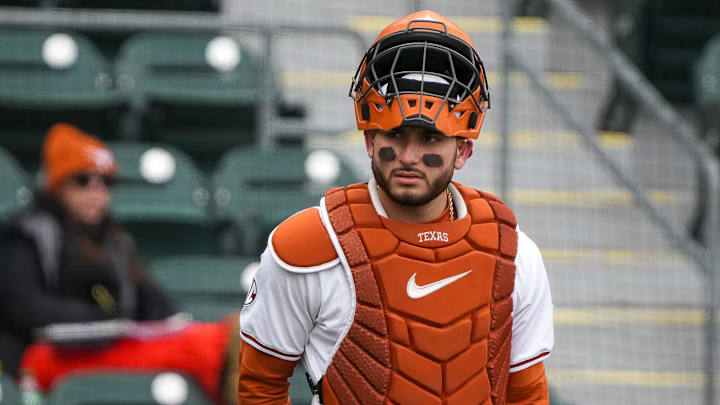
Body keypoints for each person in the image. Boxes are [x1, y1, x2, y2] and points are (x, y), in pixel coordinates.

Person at [237, 10, 554, 405]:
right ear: (370, 141)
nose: (408, 156)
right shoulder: (310, 245)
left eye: (430, 138)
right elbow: (260, 386)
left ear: (463, 150)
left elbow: (527, 393)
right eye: (396, 135)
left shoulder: (514, 253)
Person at [0, 123, 235, 404]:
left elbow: (155, 304)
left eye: (106, 182)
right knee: (202, 347)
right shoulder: (27, 234)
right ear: (59, 186)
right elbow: (25, 308)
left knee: (209, 338)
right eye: (82, 180)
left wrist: (164, 322)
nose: (96, 191)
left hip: (102, 348)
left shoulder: (113, 240)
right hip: (38, 357)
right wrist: (102, 320)